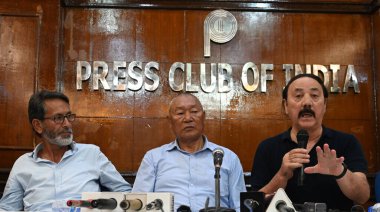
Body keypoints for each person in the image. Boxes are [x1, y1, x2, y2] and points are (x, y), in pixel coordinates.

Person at [250, 74, 370, 211]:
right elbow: (254, 204)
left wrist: (340, 172)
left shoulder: (347, 142)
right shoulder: (267, 147)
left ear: (324, 105)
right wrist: (282, 175)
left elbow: (363, 196)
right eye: (298, 96)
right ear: (286, 106)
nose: (307, 102)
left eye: (314, 95)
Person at [0, 90, 132, 211]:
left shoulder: (92, 154)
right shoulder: (23, 164)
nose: (67, 124)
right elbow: (7, 208)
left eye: (69, 116)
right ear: (38, 125)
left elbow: (126, 193)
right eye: (58, 118)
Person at [132, 93, 246, 212]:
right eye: (180, 113)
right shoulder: (153, 158)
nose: (188, 118)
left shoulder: (227, 158)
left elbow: (239, 207)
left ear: (203, 117)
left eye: (194, 111)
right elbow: (137, 205)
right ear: (170, 121)